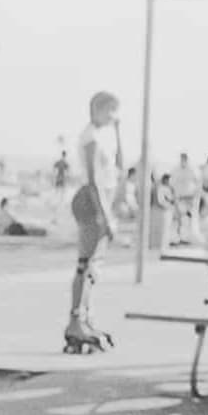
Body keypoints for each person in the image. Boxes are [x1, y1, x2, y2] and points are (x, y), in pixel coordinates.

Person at [67, 92, 121, 352]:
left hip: (100, 201)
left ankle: (85, 317)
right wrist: (105, 215)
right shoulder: (90, 138)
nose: (114, 117)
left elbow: (117, 167)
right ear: (98, 109)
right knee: (85, 264)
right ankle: (76, 320)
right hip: (92, 202)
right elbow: (93, 179)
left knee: (93, 266)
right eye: (111, 110)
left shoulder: (100, 137)